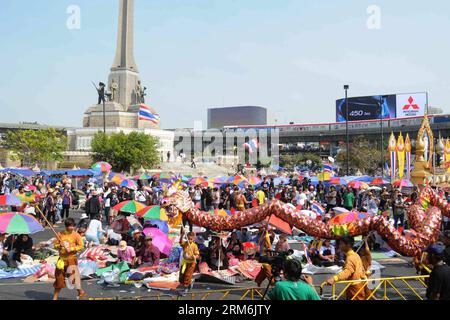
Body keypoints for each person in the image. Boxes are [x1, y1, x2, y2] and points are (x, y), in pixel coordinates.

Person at [53, 218, 86, 300]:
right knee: (59, 278)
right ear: (66, 226)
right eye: (70, 226)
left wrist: (71, 248)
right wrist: (59, 245)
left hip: (71, 259)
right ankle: (55, 297)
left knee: (73, 278)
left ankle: (80, 291)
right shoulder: (60, 234)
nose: (72, 228)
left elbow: (81, 246)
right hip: (61, 260)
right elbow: (55, 245)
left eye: (73, 226)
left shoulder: (76, 235)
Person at [179, 226, 200, 293]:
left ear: (193, 239)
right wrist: (182, 235)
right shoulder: (185, 243)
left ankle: (185, 289)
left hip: (191, 263)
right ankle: (190, 282)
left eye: (191, 239)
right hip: (185, 262)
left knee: (187, 275)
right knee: (182, 275)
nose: (189, 240)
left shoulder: (194, 246)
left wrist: (194, 256)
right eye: (188, 239)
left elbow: (197, 255)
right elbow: (180, 242)